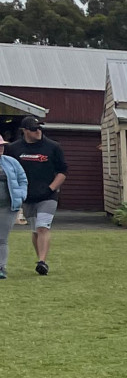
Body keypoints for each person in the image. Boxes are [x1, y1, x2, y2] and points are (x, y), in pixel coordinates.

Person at [6, 116, 67, 275]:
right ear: (25, 131)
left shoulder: (53, 147)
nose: (38, 131)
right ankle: (40, 259)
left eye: (40, 128)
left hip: (48, 196)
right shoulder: (13, 149)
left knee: (42, 227)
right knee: (35, 230)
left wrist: (51, 188)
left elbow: (63, 172)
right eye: (34, 129)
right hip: (27, 197)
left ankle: (42, 262)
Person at [0, 144, 24, 279]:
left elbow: (22, 179)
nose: (1, 149)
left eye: (2, 146)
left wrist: (21, 195)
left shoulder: (11, 162)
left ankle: (1, 267)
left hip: (7, 207)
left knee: (2, 238)